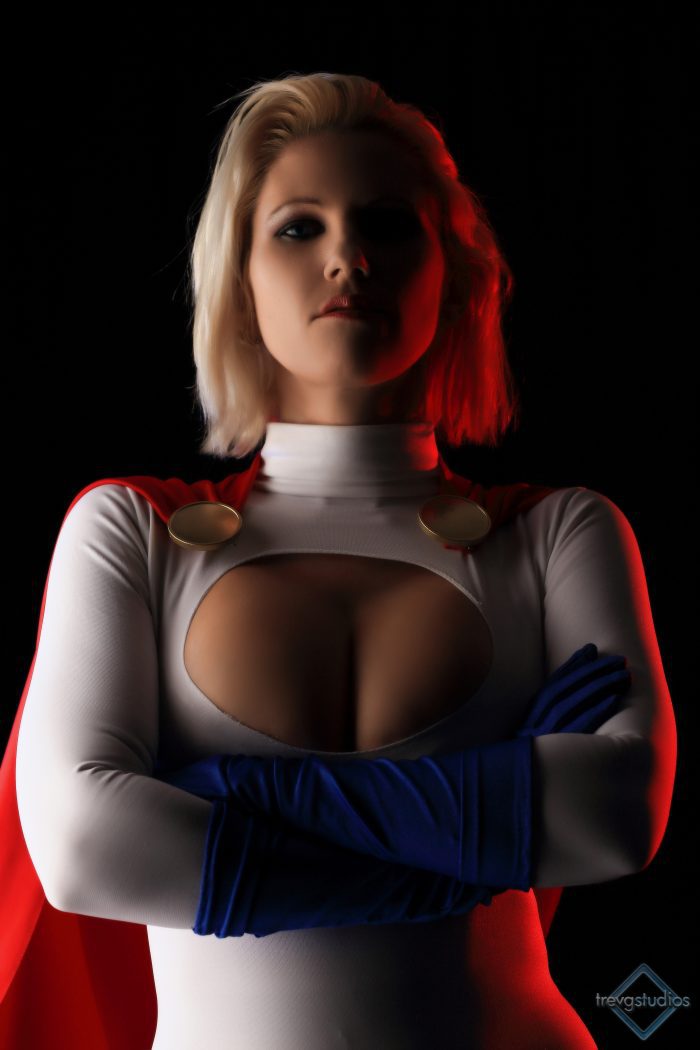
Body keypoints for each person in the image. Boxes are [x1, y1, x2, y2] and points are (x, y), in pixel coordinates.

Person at [0, 72, 676, 1049]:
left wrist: (232, 796)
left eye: (388, 224)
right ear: (238, 278)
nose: (347, 257)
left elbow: (614, 815)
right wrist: (483, 833)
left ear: (455, 273)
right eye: (297, 227)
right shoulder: (131, 533)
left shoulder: (560, 533)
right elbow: (82, 849)